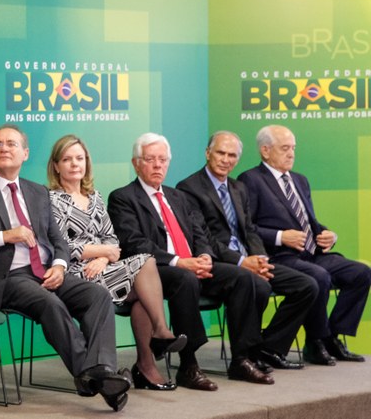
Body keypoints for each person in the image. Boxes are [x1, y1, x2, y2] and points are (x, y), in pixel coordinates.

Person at [0, 124, 131, 412]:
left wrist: (59, 265)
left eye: (11, 144)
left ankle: (100, 371)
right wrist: (6, 236)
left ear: (25, 153)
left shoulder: (37, 192)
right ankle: (98, 377)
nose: (4, 148)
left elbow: (57, 240)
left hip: (44, 271)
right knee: (49, 303)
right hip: (2, 278)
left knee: (97, 296)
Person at [107, 132, 274, 391]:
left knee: (243, 278)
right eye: (150, 159)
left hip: (193, 264)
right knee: (184, 278)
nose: (157, 165)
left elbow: (200, 233)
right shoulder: (123, 197)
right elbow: (134, 243)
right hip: (156, 270)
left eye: (163, 160)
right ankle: (189, 365)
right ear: (136, 163)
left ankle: (241, 358)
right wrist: (178, 262)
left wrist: (205, 256)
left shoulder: (178, 197)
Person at [46, 134, 186, 391]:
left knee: (145, 272)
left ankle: (150, 361)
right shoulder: (50, 200)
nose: (75, 164)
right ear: (56, 166)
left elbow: (112, 239)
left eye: (80, 158)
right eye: (67, 159)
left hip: (102, 266)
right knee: (144, 267)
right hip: (77, 272)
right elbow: (61, 246)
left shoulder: (95, 197)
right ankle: (159, 337)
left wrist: (103, 256)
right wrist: (103, 253)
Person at [176, 131, 318, 370]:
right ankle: (245, 357)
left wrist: (260, 259)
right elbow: (204, 237)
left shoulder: (238, 187)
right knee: (257, 284)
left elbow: (250, 230)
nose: (225, 159)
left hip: (249, 259)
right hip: (217, 263)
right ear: (207, 153)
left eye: (232, 155)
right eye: (220, 152)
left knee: (307, 286)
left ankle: (268, 348)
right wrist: (243, 262)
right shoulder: (189, 187)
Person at [238, 124, 371, 365]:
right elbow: (247, 227)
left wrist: (328, 234)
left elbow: (309, 220)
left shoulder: (300, 180)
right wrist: (280, 236)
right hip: (279, 256)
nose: (291, 154)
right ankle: (316, 341)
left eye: (293, 149)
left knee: (361, 273)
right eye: (285, 148)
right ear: (265, 151)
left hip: (311, 253)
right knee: (318, 276)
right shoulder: (251, 179)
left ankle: (332, 336)